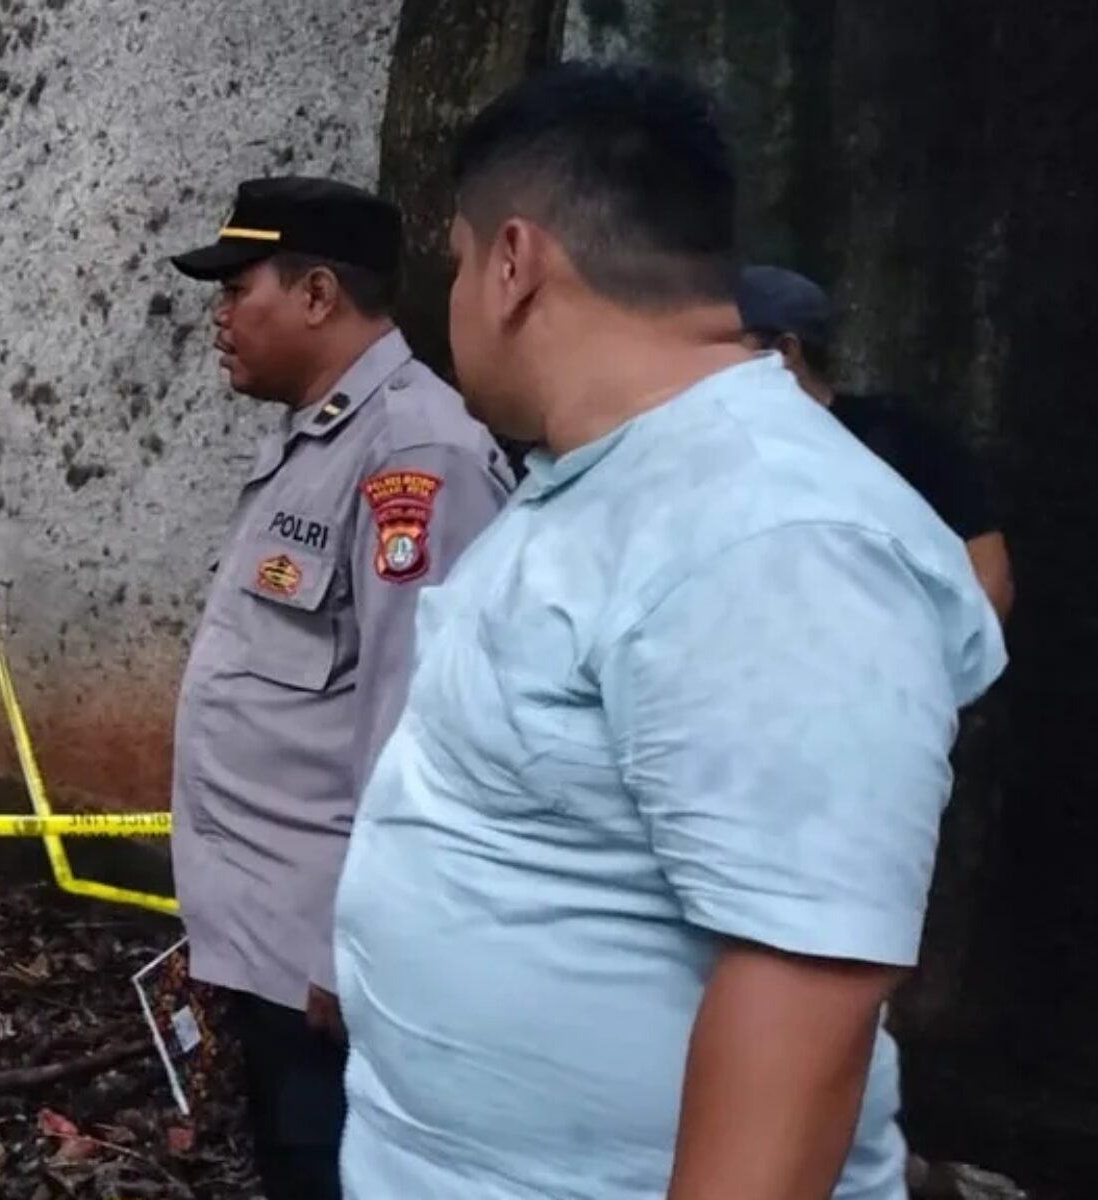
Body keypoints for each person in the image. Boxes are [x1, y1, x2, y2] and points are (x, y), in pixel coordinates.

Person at [333, 62, 1008, 1199]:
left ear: (510, 263)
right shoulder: (610, 483)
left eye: (451, 262)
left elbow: (809, 984)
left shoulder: (767, 531)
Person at [164, 176, 511, 1199]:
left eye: (237, 288)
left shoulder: (416, 455)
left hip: (333, 953)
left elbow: (422, 727)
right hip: (273, 938)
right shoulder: (322, 435)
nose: (220, 316)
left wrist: (360, 945)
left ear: (317, 295)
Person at [737, 265, 1015, 621]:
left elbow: (987, 569)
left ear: (786, 351)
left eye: (730, 344)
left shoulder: (903, 435)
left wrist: (946, 671)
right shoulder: (722, 447)